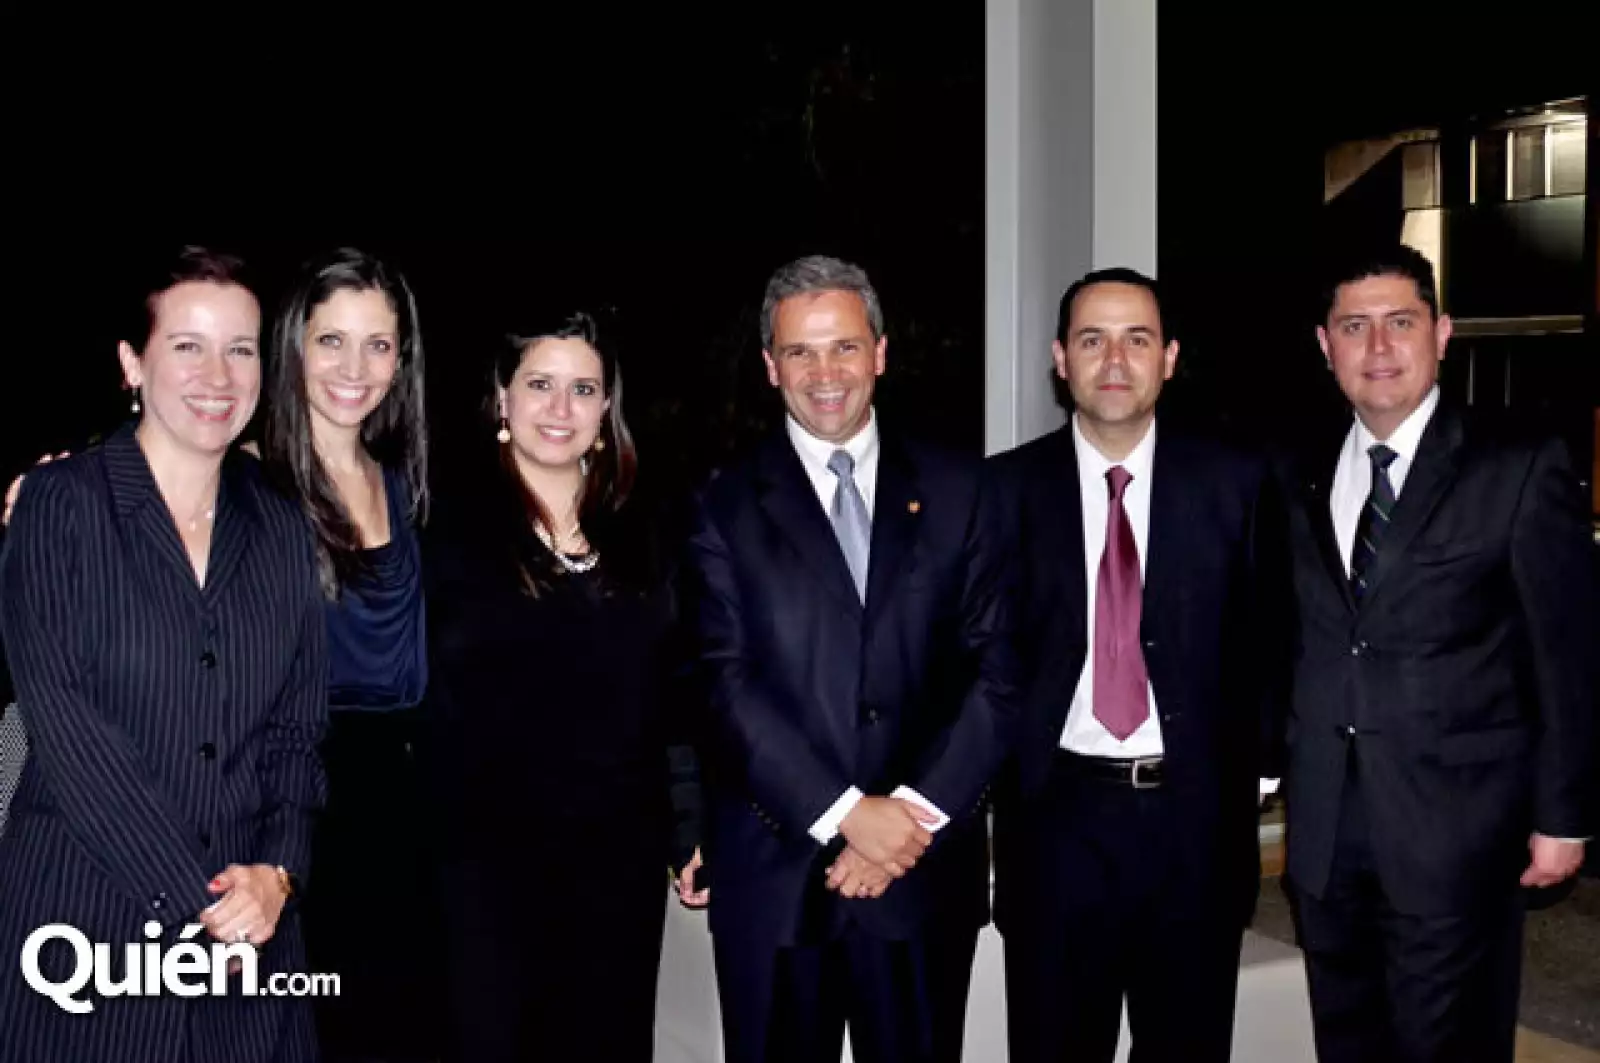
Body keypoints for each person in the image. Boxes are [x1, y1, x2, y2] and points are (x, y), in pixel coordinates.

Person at [685, 255, 1020, 1063]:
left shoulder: (961, 488)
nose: (823, 373)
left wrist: (905, 820)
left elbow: (999, 669)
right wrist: (846, 815)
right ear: (770, 367)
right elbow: (722, 685)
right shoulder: (719, 502)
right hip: (776, 880)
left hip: (919, 876)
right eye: (799, 351)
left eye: (843, 347)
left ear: (880, 351)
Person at [0, 247, 327, 1063]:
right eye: (187, 345)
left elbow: (297, 736)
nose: (217, 375)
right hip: (85, 937)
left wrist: (278, 875)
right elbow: (69, 731)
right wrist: (200, 903)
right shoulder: (59, 504)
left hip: (252, 953)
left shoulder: (284, 527)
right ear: (131, 363)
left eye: (241, 349)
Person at [1282, 244, 1597, 1063]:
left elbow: (1567, 656)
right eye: (1355, 326)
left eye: (1400, 323)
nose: (1379, 347)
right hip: (1325, 843)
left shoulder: (1520, 465)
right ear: (1326, 345)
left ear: (1443, 333)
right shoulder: (1296, 471)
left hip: (1459, 839)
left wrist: (1562, 816)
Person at [986, 267, 1289, 1063]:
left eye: (1137, 339)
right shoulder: (1004, 490)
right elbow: (982, 656)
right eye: (1092, 339)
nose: (1114, 359)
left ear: (1170, 357)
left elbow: (1270, 633)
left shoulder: (1238, 482)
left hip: (1192, 827)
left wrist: (1256, 770)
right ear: (1060, 358)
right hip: (1055, 826)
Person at [425, 311, 705, 1063]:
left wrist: (687, 830)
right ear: (501, 400)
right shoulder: (443, 528)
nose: (560, 408)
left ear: (607, 408)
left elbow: (676, 693)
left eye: (583, 389)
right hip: (484, 871)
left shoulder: (651, 525)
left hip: (617, 866)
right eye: (540, 385)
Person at [259, 247, 441, 1062]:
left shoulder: (404, 484)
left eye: (379, 343)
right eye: (333, 340)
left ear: (402, 360)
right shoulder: (246, 483)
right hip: (301, 810)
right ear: (295, 344)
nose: (355, 366)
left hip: (410, 811)